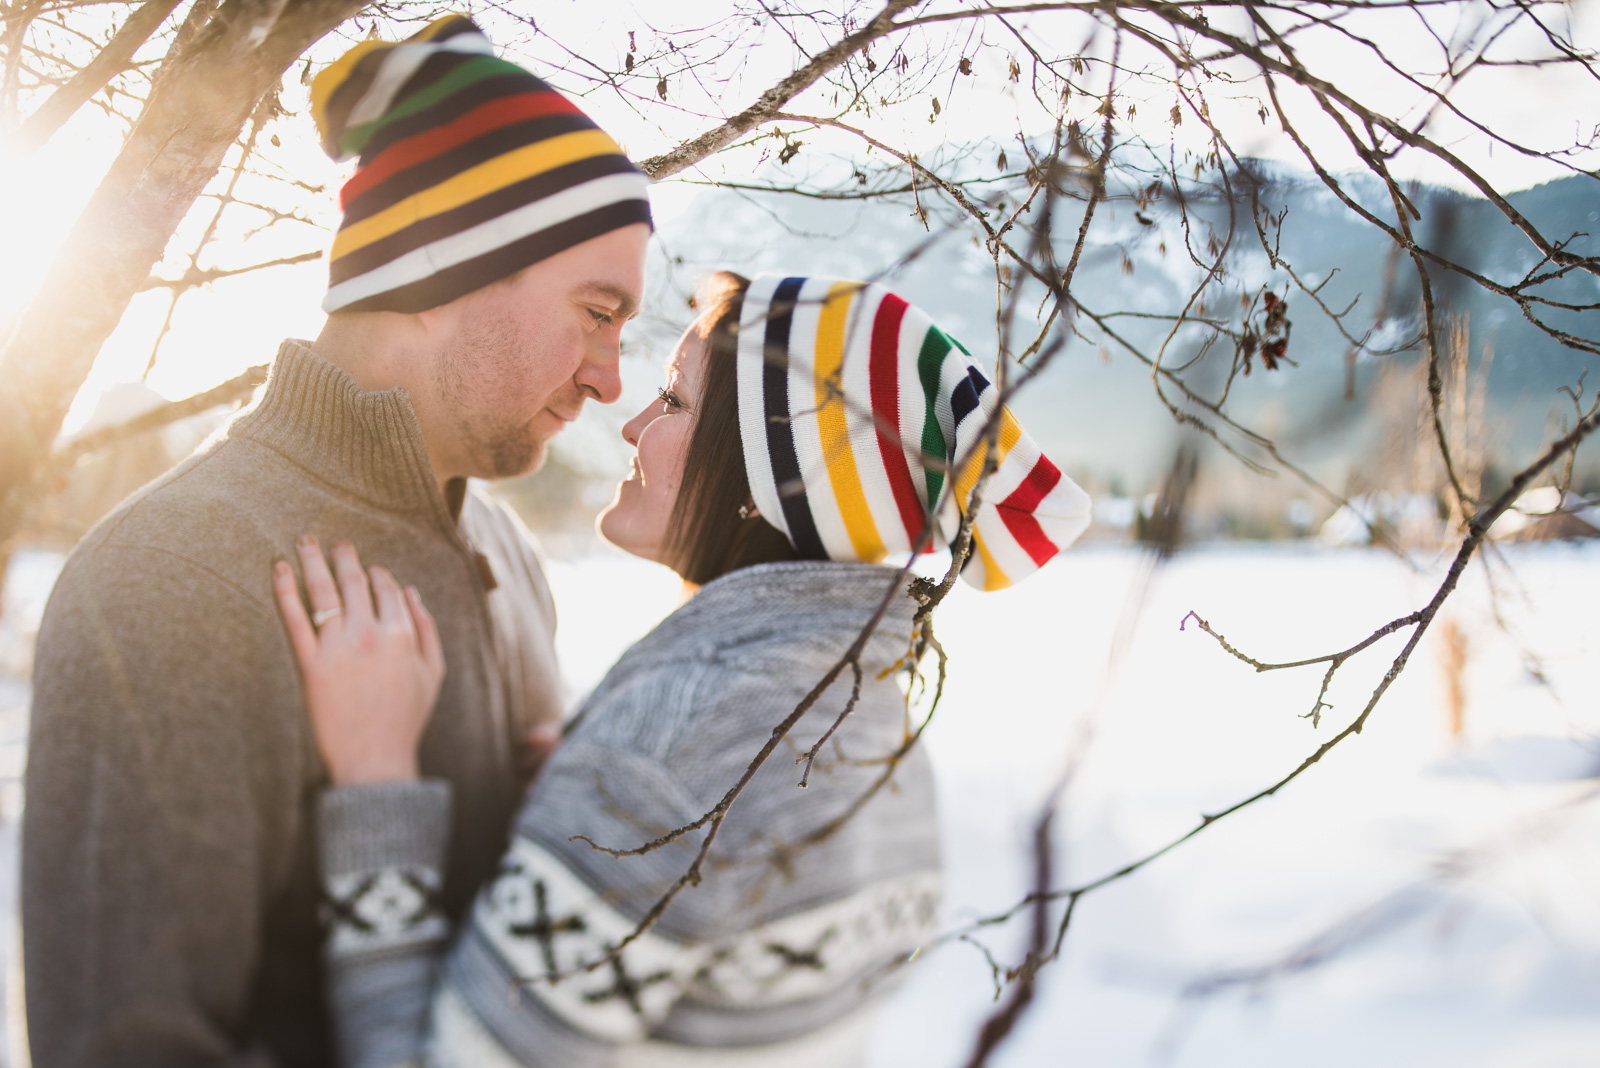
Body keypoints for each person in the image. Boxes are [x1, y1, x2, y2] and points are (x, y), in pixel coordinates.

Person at [22, 16, 651, 1066]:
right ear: (438, 266)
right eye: (594, 312)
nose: (608, 378)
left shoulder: (508, 556)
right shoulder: (172, 582)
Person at [275, 273, 1093, 1066]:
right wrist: (590, 814)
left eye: (672, 400)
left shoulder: (679, 745)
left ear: (770, 476)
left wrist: (377, 782)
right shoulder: (877, 723)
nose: (632, 426)